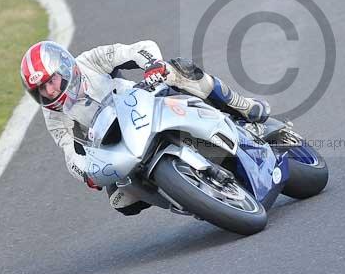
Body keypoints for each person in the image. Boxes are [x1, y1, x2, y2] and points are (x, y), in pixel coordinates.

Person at [20, 40, 270, 216]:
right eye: (41, 89)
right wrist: (87, 174)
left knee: (178, 69)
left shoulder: (89, 61)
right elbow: (69, 152)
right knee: (122, 202)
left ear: (64, 68)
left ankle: (242, 106)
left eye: (51, 81)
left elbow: (137, 49)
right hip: (118, 147)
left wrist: (153, 65)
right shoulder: (54, 116)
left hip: (143, 105)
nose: (50, 91)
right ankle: (192, 199)